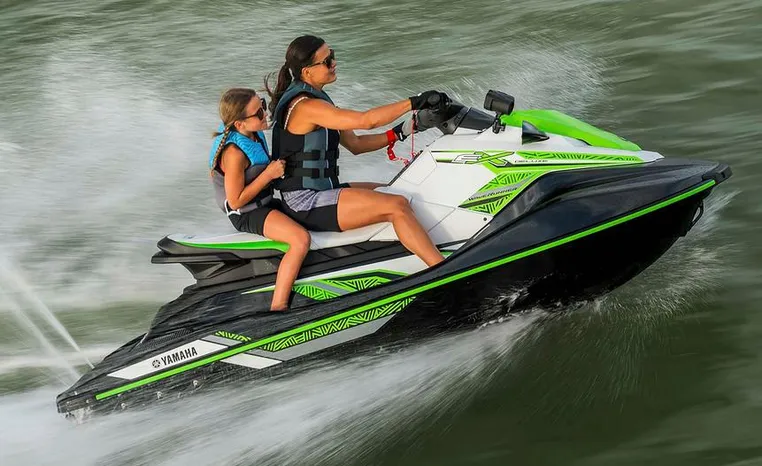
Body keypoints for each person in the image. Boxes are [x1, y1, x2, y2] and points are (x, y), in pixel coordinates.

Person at [266, 35, 446, 268]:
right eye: (327, 61)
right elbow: (366, 121)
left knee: (395, 190)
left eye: (332, 55)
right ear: (307, 72)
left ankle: (423, 252)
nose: (334, 63)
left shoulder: (320, 102)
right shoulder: (306, 107)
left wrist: (402, 131)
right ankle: (442, 270)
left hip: (324, 189)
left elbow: (356, 145)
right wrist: (415, 102)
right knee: (396, 205)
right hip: (305, 201)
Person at [209, 88, 310, 311]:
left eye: (262, 105)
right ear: (239, 124)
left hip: (264, 202)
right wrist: (268, 175)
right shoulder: (234, 153)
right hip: (247, 213)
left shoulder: (253, 133)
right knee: (300, 240)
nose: (265, 113)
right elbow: (235, 201)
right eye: (258, 113)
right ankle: (278, 307)